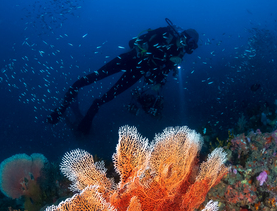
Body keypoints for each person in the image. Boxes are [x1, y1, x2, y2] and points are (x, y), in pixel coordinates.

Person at [46, 18, 199, 134]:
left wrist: (158, 81)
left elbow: (160, 73)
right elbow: (134, 42)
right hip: (128, 59)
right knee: (94, 77)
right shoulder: (165, 33)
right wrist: (153, 52)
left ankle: (88, 119)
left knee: (110, 95)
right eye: (187, 43)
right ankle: (61, 109)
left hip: (137, 72)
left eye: (189, 47)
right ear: (184, 37)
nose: (185, 48)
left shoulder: (177, 54)